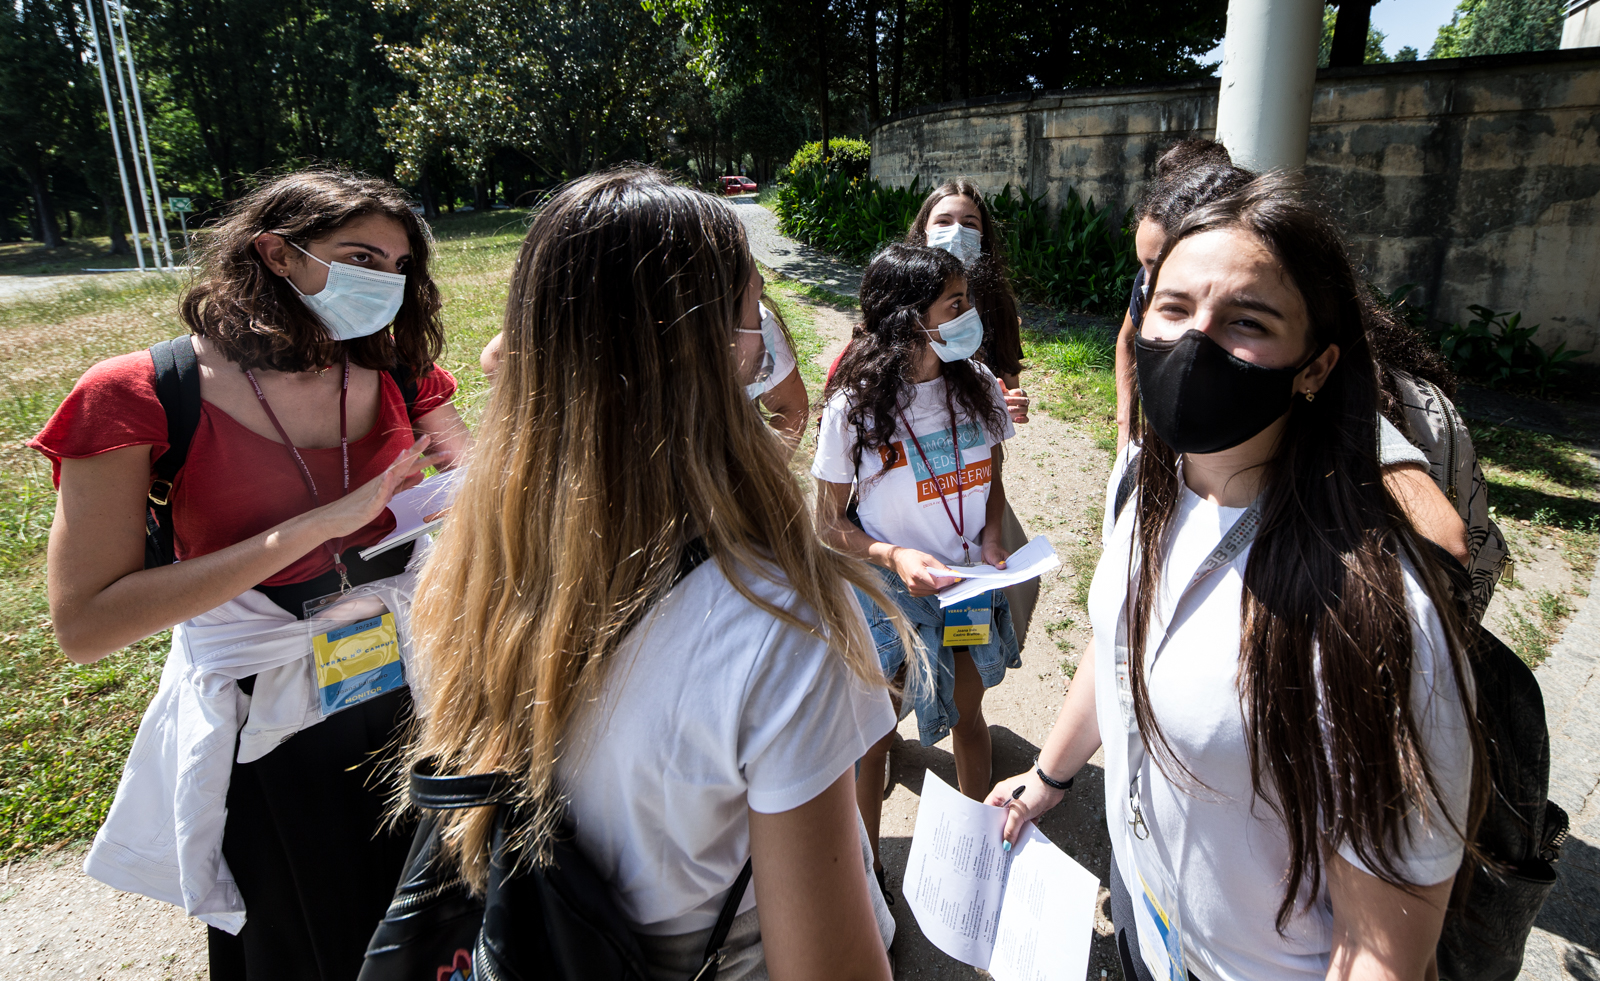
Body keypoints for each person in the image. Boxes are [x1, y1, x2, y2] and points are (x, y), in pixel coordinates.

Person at [404, 166, 897, 981]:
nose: (764, 337)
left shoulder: (453, 562)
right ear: (711, 352)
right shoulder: (776, 624)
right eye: (752, 308)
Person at [990, 176, 1484, 981]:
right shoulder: (1146, 482)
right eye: (1174, 307)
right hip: (1145, 930)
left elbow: (1379, 954)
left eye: (1247, 321)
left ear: (1317, 366)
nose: (1195, 342)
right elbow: (1119, 643)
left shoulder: (1370, 611)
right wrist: (1050, 775)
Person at [32, 170, 472, 979]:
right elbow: (86, 625)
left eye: (401, 264)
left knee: (430, 929)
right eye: (359, 256)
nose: (387, 282)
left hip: (407, 690)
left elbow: (478, 484)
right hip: (266, 729)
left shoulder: (399, 368)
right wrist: (313, 528)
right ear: (275, 252)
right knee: (302, 937)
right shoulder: (138, 394)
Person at [1114, 139, 1472, 570]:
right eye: (1147, 269)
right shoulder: (1155, 287)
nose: (1148, 284)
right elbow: (1126, 338)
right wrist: (1127, 435)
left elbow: (1446, 543)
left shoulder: (1311, 387)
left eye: (1247, 321)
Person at [814, 243, 1020, 898]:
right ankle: (866, 875)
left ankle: (980, 854)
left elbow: (991, 477)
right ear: (909, 320)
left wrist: (989, 536)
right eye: (954, 303)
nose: (970, 315)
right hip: (888, 601)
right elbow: (826, 524)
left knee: (967, 710)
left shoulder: (979, 384)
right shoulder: (853, 411)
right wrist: (893, 556)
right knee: (875, 733)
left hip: (964, 593)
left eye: (967, 300)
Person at [477, 270, 809, 450]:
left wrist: (758, 482)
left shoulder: (756, 322)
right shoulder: (612, 324)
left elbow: (792, 408)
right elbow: (497, 355)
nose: (763, 322)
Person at [903, 179, 1029, 424]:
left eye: (969, 224)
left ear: (982, 237)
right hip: (912, 435)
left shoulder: (998, 304)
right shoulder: (900, 297)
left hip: (979, 441)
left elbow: (1009, 378)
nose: (956, 232)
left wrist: (1013, 399)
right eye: (943, 221)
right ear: (924, 231)